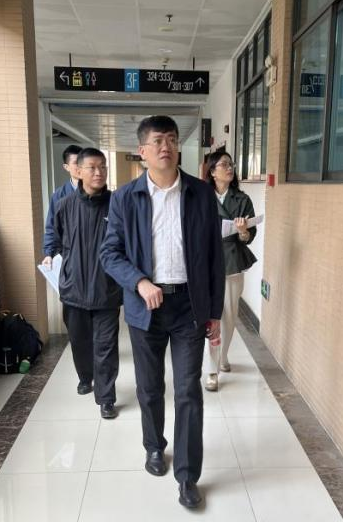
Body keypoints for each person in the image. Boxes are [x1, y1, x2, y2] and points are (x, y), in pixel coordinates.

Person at [100, 116, 224, 508]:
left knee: (188, 390)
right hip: (146, 308)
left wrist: (215, 312)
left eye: (171, 139)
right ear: (143, 151)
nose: (165, 146)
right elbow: (109, 253)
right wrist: (139, 282)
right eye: (157, 141)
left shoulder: (201, 194)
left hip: (190, 306)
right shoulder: (125, 198)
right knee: (150, 387)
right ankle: (154, 446)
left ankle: (187, 476)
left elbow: (214, 257)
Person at [53, 147, 122, 419]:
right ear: (78, 171)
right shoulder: (64, 206)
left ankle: (106, 397)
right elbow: (56, 239)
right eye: (92, 167)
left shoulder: (117, 204)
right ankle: (85, 376)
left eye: (103, 167)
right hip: (74, 290)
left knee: (106, 346)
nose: (99, 172)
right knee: (80, 341)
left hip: (107, 290)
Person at [203, 150, 257, 392]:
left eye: (231, 164)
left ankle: (223, 356)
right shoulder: (201, 196)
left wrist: (244, 232)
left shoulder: (242, 199)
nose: (230, 168)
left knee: (229, 318)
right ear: (213, 171)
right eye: (224, 164)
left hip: (233, 263)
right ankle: (212, 370)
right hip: (206, 263)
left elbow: (249, 236)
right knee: (211, 318)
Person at [42, 144, 82, 268]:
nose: (80, 166)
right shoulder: (59, 196)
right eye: (76, 163)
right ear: (66, 167)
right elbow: (52, 226)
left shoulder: (99, 193)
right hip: (69, 255)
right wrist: (49, 254)